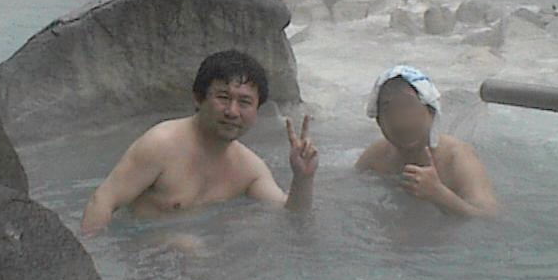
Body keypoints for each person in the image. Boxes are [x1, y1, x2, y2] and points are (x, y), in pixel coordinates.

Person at [80, 50, 318, 235]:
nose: (232, 111)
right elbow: (103, 201)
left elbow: (291, 214)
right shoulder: (161, 144)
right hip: (142, 249)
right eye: (223, 98)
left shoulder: (248, 168)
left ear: (257, 110)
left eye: (244, 102)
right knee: (188, 247)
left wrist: (303, 178)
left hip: (198, 264)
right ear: (198, 98)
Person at [355, 65, 499, 219]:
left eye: (409, 108)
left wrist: (439, 194)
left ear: (432, 112)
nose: (401, 121)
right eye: (398, 129)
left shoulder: (457, 158)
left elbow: (489, 217)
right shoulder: (378, 156)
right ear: (379, 122)